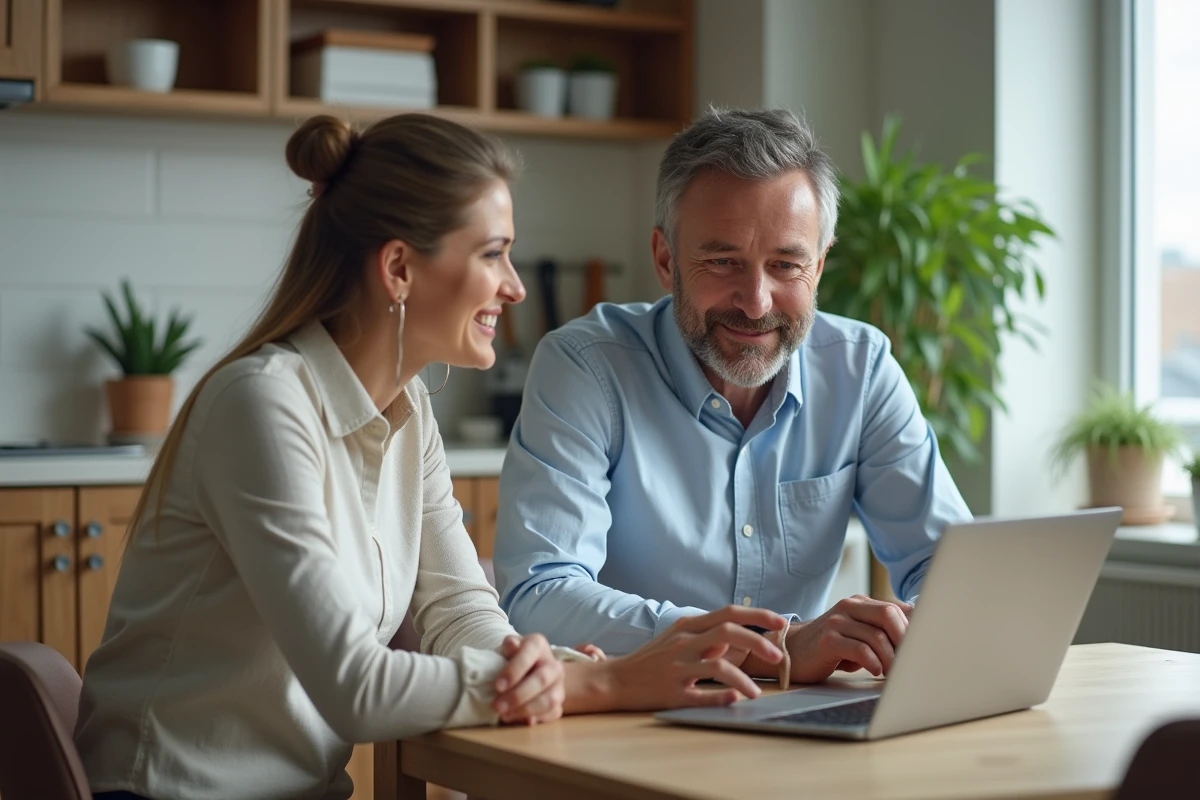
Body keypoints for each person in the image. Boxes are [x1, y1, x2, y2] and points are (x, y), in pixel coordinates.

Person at [74, 113, 788, 800]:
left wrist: (549, 666)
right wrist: (598, 684)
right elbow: (355, 688)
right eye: (492, 254)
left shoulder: (409, 410)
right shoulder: (261, 404)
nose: (514, 286)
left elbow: (459, 612)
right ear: (399, 269)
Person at [494, 107, 973, 684]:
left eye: (786, 265)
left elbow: (950, 565)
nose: (756, 302)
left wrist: (917, 627)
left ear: (819, 266)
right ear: (665, 259)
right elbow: (541, 595)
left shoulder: (860, 368)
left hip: (799, 716)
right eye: (723, 262)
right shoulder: (586, 367)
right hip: (629, 716)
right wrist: (771, 647)